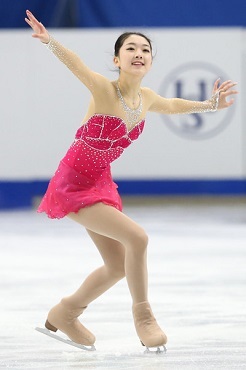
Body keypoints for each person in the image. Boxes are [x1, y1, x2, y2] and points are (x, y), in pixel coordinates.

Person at [25, 9, 238, 351]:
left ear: (150, 61)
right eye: (131, 48)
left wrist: (210, 105)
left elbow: (171, 104)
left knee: (117, 265)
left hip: (100, 182)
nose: (139, 53)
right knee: (137, 239)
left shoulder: (146, 98)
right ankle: (144, 317)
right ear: (117, 59)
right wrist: (51, 41)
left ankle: (65, 312)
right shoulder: (104, 90)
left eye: (145, 50)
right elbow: (77, 65)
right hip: (73, 183)